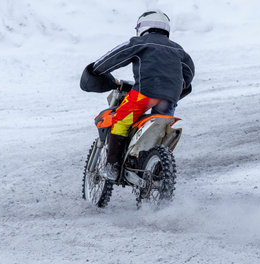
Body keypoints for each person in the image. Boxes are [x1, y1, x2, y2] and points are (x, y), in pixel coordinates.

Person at [80, 10, 195, 180]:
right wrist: (177, 87)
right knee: (158, 134)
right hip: (169, 98)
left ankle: (112, 167)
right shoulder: (178, 49)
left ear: (143, 27)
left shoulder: (140, 43)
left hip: (145, 94)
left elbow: (114, 57)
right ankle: (150, 169)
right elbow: (189, 72)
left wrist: (95, 70)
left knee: (119, 121)